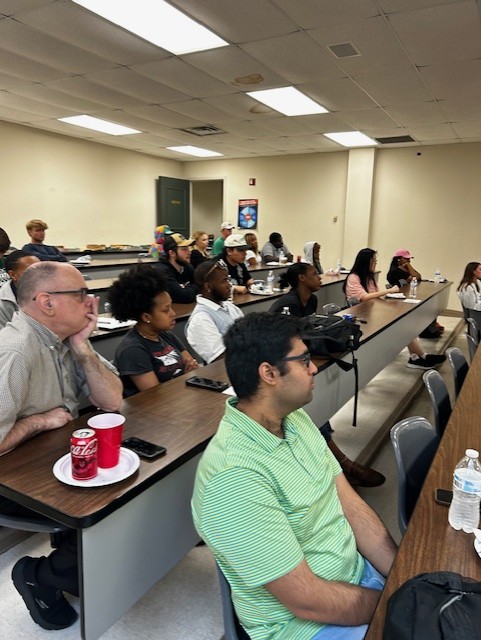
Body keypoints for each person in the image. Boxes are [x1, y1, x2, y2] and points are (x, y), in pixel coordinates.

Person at [192, 312, 397, 640]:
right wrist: (394, 605)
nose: (313, 367)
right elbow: (307, 601)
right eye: (303, 360)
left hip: (359, 579)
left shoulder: (295, 419)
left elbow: (351, 506)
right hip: (307, 626)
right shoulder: (234, 478)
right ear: (269, 373)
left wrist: (402, 575)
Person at [0, 261, 122, 631]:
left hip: (51, 457)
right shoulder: (15, 350)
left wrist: (83, 348)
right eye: (81, 294)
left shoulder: (65, 338)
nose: (91, 302)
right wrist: (40, 421)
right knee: (111, 503)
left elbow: (112, 401)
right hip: (11, 478)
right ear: (47, 302)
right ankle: (38, 575)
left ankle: (73, 564)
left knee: (129, 479)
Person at [269, 263, 385, 488]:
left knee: (315, 405)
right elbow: (281, 343)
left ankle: (335, 462)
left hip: (297, 362)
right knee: (310, 410)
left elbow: (310, 332)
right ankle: (342, 464)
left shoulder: (311, 300)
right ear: (302, 278)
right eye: (314, 274)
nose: (320, 277)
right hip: (279, 369)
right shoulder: (287, 305)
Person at [344, 248, 446, 370]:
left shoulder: (369, 277)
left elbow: (375, 295)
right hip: (362, 317)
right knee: (402, 324)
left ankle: (418, 356)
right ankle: (419, 356)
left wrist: (389, 296)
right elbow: (364, 297)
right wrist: (389, 291)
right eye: (373, 261)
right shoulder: (353, 278)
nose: (375, 263)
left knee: (404, 322)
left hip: (373, 311)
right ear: (366, 262)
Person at [107, 264, 198, 397]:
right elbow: (155, 396)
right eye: (166, 310)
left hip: (180, 398)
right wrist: (185, 377)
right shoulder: (132, 350)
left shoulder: (166, 336)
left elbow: (191, 364)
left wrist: (190, 372)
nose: (173, 313)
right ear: (146, 317)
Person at [185, 260, 244, 364]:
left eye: (228, 279)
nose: (229, 285)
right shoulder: (200, 319)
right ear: (208, 286)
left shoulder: (230, 307)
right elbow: (221, 359)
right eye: (224, 281)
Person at [387, 249, 444, 338]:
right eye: (406, 259)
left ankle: (431, 326)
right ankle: (427, 330)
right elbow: (416, 278)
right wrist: (409, 266)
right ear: (398, 259)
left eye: (409, 259)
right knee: (425, 304)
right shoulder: (395, 271)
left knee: (429, 301)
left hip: (405, 295)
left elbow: (418, 276)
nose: (409, 261)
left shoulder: (402, 269)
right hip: (401, 300)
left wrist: (408, 266)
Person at [0, 250, 39, 327]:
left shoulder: (52, 291)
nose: (39, 275)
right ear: (13, 275)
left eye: (41, 269)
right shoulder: (3, 303)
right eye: (30, 272)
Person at [156, 232, 198, 303]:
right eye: (184, 249)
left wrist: (188, 288)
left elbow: (201, 286)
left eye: (188, 248)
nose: (189, 252)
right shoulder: (162, 271)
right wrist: (193, 287)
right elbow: (183, 297)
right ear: (172, 253)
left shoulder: (187, 267)